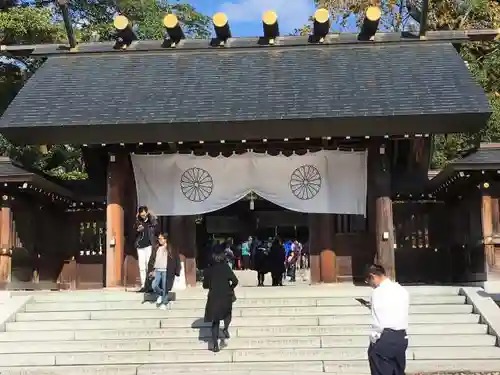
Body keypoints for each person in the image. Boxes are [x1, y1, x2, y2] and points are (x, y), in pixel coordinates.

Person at [366, 264, 409, 375]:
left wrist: (373, 341)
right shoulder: (401, 290)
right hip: (401, 337)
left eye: (369, 282)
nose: (371, 285)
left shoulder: (378, 293)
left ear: (373, 276)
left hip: (384, 338)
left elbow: (378, 320)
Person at [203, 249, 239, 352]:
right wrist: (230, 287)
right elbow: (235, 281)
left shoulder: (209, 270)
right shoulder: (226, 267)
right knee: (227, 314)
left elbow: (205, 285)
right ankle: (226, 328)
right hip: (226, 295)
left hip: (214, 296)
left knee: (215, 321)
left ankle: (215, 345)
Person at [147, 232, 181, 309]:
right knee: (154, 285)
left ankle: (164, 303)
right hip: (157, 270)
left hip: (166, 270)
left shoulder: (171, 248)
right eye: (158, 238)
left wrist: (177, 271)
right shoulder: (156, 248)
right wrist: (151, 270)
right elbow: (152, 259)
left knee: (165, 286)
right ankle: (162, 295)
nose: (159, 240)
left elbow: (177, 260)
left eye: (161, 238)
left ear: (165, 239)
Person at [134, 206, 158, 292]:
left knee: (149, 265)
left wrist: (152, 216)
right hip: (140, 246)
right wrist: (137, 230)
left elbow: (156, 227)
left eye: (144, 213)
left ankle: (150, 284)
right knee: (142, 266)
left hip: (149, 245)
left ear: (147, 212)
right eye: (141, 213)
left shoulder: (151, 221)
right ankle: (143, 285)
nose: (143, 215)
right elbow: (133, 232)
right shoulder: (137, 221)